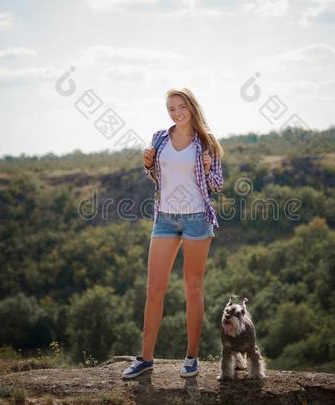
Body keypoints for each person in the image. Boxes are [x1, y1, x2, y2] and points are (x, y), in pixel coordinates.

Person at [122, 88, 224, 379]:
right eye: (171, 108)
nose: (176, 113)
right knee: (154, 289)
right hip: (164, 219)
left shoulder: (207, 142)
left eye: (181, 107)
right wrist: (147, 163)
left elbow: (217, 185)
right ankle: (145, 358)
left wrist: (206, 168)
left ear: (191, 107)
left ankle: (192, 356)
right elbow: (156, 176)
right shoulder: (159, 138)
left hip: (196, 219)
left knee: (192, 289)